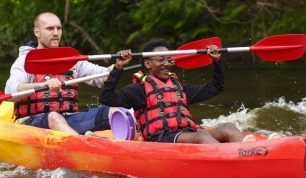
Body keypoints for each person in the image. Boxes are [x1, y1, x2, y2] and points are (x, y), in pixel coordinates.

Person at [98, 39, 252, 144]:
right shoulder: (138, 90)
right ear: (147, 63)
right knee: (202, 135)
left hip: (187, 133)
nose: (167, 64)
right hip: (161, 138)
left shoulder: (179, 87)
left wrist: (217, 61)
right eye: (161, 60)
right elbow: (106, 98)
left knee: (228, 128)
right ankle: (233, 159)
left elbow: (215, 87)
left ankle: (253, 153)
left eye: (169, 60)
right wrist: (118, 68)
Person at [5, 12, 113, 135]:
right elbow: (10, 91)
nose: (56, 33)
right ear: (37, 32)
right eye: (50, 28)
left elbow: (100, 78)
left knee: (113, 112)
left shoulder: (69, 60)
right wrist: (43, 85)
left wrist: (115, 70)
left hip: (69, 120)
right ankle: (81, 144)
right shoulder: (24, 61)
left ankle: (134, 142)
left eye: (59, 28)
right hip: (33, 124)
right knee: (53, 117)